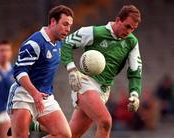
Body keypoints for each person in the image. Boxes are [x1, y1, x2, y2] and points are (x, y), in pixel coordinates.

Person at [61, 5, 142, 138]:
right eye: (127, 26)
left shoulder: (132, 42)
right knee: (105, 122)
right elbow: (66, 43)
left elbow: (135, 70)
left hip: (104, 91)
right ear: (118, 20)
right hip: (85, 83)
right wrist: (71, 69)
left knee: (70, 135)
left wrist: (135, 94)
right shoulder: (94, 32)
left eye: (133, 29)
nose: (129, 31)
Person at [7, 5, 73, 138]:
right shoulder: (34, 43)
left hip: (45, 97)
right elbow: (19, 72)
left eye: (70, 25)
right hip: (24, 95)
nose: (68, 29)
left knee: (64, 135)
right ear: (53, 22)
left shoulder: (59, 42)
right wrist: (34, 93)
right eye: (65, 24)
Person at [0, 40, 13, 138]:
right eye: (1, 50)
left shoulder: (14, 71)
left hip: (5, 112)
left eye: (7, 50)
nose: (4, 53)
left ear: (11, 53)